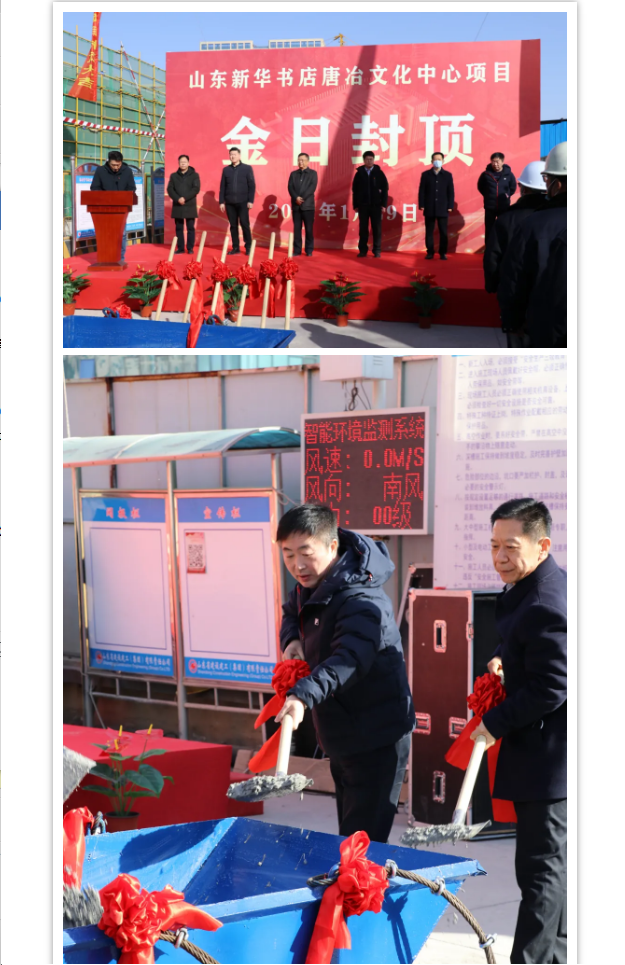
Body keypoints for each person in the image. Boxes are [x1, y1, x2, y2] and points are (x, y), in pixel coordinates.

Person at [274, 504, 415, 843]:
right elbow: (292, 611)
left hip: (376, 735)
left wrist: (302, 695)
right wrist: (292, 640)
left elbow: (349, 659)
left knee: (361, 845)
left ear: (332, 546)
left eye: (306, 553)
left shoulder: (360, 598)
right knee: (350, 839)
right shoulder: (313, 583)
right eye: (288, 555)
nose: (297, 565)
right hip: (342, 730)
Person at [471, 498, 566, 965]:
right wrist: (502, 658)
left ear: (542, 545)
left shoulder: (546, 601)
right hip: (542, 753)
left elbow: (553, 686)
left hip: (551, 759)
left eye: (511, 546)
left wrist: (494, 722)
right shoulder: (528, 587)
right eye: (494, 546)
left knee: (540, 872)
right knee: (551, 870)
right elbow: (524, 646)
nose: (500, 556)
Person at [496, 142, 567, 347]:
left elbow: (514, 278)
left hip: (547, 328)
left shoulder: (534, 225)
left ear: (557, 184)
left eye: (548, 179)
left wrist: (512, 321)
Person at [483, 161, 546, 294]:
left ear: (524, 189)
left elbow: (493, 257)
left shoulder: (506, 218)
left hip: (514, 291)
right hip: (550, 292)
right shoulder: (563, 217)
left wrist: (492, 286)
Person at [90, 150, 136, 262]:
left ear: (121, 162)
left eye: (118, 165)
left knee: (121, 234)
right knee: (106, 234)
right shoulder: (100, 171)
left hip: (121, 208)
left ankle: (120, 258)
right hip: (104, 209)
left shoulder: (127, 171)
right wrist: (106, 197)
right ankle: (106, 259)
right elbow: (94, 188)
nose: (116, 167)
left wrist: (123, 197)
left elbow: (132, 188)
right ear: (108, 162)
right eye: (113, 165)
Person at [219, 146, 255, 255]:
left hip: (243, 202)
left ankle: (248, 247)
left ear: (239, 156)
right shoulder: (226, 170)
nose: (232, 156)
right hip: (230, 202)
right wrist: (221, 201)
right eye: (231, 154)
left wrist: (250, 200)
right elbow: (223, 187)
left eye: (234, 154)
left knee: (244, 224)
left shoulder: (247, 168)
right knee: (233, 225)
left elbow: (252, 185)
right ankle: (235, 247)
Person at [418, 152, 455, 260]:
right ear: (431, 161)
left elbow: (450, 192)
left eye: (439, 159)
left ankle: (442, 252)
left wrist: (450, 205)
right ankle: (430, 252)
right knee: (429, 231)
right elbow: (422, 191)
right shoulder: (426, 175)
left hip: (443, 207)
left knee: (443, 232)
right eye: (435, 159)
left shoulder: (447, 175)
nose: (437, 161)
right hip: (429, 207)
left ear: (443, 161)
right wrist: (422, 204)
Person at [352, 151, 388, 258]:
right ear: (364, 160)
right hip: (363, 205)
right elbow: (355, 190)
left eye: (371, 159)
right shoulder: (359, 173)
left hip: (376, 205)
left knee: (377, 228)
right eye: (367, 159)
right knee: (363, 229)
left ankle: (377, 250)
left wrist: (383, 204)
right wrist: (355, 205)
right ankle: (363, 250)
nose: (369, 161)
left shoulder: (379, 173)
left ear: (373, 160)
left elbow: (385, 189)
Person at [477, 152, 517, 241]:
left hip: (504, 207)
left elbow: (512, 187)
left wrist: (507, 195)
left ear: (502, 162)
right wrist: (488, 195)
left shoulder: (509, 174)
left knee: (503, 227)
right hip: (490, 207)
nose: (495, 164)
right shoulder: (486, 174)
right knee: (489, 229)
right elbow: (480, 187)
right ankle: (488, 247)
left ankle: (502, 247)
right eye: (493, 162)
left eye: (497, 161)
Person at [166, 155, 201, 255]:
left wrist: (184, 198)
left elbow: (196, 189)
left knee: (190, 228)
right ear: (178, 163)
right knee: (179, 228)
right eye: (181, 161)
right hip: (178, 205)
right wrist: (178, 198)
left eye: (185, 161)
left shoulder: (195, 175)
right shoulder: (173, 176)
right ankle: (180, 248)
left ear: (188, 163)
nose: (183, 163)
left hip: (189, 204)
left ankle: (190, 248)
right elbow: (170, 189)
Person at [288, 153, 318, 257]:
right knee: (297, 229)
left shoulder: (313, 173)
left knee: (309, 229)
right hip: (296, 206)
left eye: (302, 160)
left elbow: (312, 188)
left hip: (308, 206)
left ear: (308, 161)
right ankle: (297, 250)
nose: (300, 162)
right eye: (299, 160)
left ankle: (309, 250)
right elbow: (290, 187)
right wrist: (296, 197)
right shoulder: (293, 174)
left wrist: (302, 198)